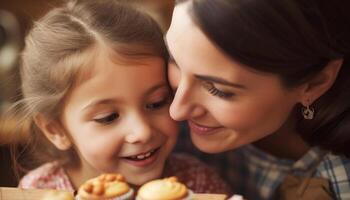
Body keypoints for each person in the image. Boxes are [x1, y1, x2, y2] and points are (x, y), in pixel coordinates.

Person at [12, 0, 231, 195]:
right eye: (108, 117)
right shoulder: (38, 190)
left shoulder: (199, 183)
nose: (142, 132)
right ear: (55, 130)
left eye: (156, 103)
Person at [165, 0, 350, 199]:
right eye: (174, 60)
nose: (176, 111)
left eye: (218, 90)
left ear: (314, 84)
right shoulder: (160, 132)